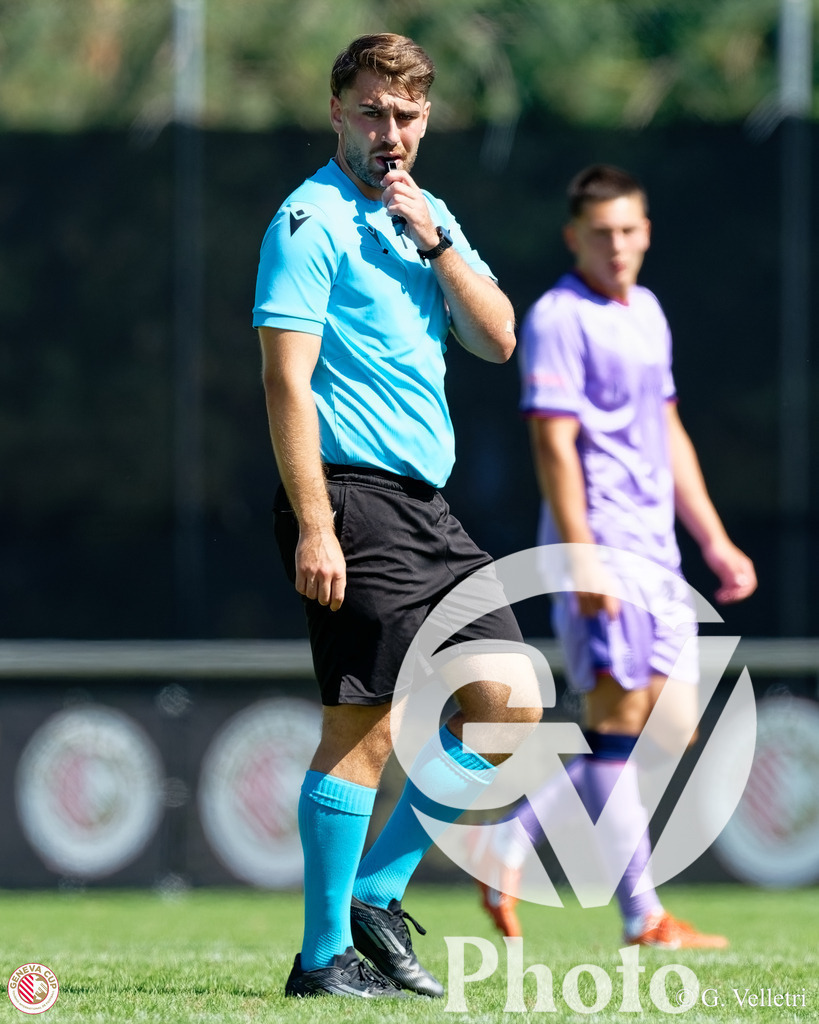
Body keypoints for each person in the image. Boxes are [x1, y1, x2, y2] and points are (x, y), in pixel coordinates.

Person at [253, 33, 542, 999]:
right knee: (365, 730)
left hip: (428, 507)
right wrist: (315, 525)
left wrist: (439, 242)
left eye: (407, 117)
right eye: (372, 113)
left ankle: (374, 897)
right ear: (336, 111)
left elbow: (499, 339)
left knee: (512, 702)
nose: (390, 133)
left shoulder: (427, 214)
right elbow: (285, 383)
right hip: (351, 499)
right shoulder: (308, 219)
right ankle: (321, 958)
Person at [473, 164, 757, 948]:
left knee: (666, 731)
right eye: (601, 234)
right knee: (616, 727)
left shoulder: (648, 312)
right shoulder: (558, 317)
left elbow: (667, 432)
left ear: (646, 233)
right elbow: (552, 444)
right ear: (574, 238)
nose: (618, 246)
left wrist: (713, 539)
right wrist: (581, 555)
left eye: (629, 230)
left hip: (658, 554)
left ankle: (508, 842)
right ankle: (643, 915)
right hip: (602, 544)